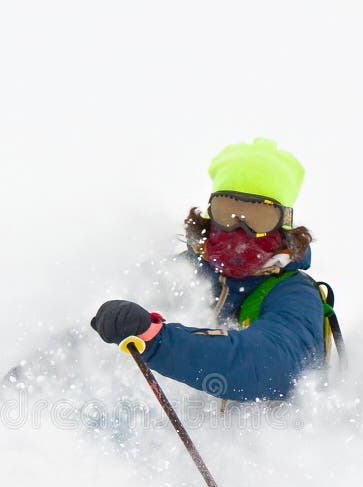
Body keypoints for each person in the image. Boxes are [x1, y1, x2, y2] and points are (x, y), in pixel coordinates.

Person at [91, 138, 339, 402]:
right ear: (211, 213)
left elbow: (266, 366)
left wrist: (158, 339)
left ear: (284, 225)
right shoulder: (179, 272)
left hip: (259, 437)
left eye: (259, 217)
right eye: (228, 211)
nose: (240, 227)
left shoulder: (295, 294)